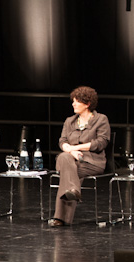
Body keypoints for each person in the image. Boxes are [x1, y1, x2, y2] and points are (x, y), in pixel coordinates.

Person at [50, 86, 111, 226]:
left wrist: (74, 148)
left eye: (77, 101)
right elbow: (62, 141)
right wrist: (71, 152)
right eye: (73, 101)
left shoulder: (101, 119)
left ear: (87, 103)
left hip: (92, 162)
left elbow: (101, 143)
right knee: (65, 158)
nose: (73, 104)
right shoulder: (69, 121)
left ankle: (60, 218)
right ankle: (73, 190)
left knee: (66, 169)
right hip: (71, 160)